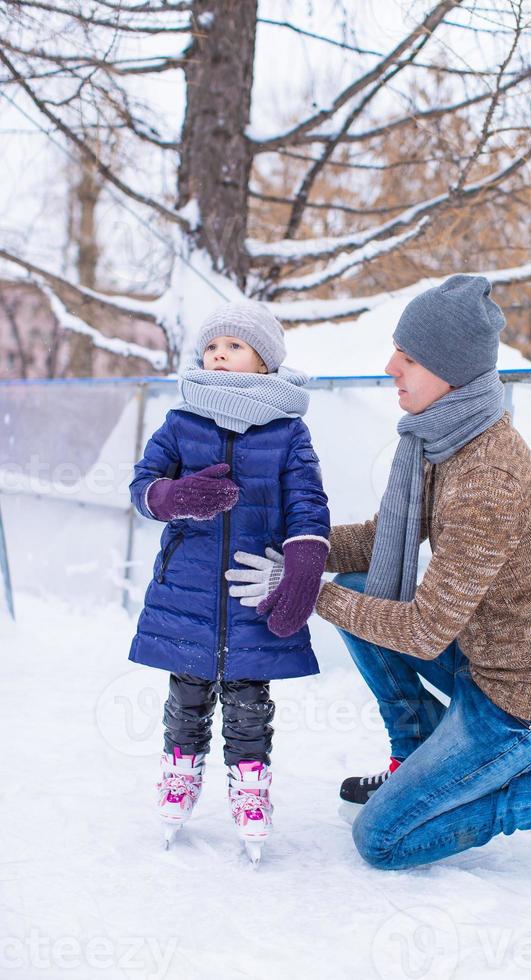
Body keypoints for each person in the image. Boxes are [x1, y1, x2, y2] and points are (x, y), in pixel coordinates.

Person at [228, 275, 531, 888]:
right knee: (361, 582)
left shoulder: (487, 476)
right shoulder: (442, 439)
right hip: (486, 662)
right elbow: (382, 540)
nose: (390, 365)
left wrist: (307, 591)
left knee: (383, 839)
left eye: (410, 356)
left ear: (450, 371)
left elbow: (425, 631)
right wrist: (297, 549)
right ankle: (415, 755)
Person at [129, 301, 330, 862]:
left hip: (252, 590)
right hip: (186, 592)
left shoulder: (289, 432)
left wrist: (304, 566)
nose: (218, 353)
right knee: (186, 695)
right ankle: (180, 773)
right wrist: (170, 496)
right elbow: (142, 486)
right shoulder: (181, 422)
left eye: (233, 346)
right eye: (211, 346)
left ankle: (250, 788)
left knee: (248, 700)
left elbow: (308, 504)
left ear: (264, 362)